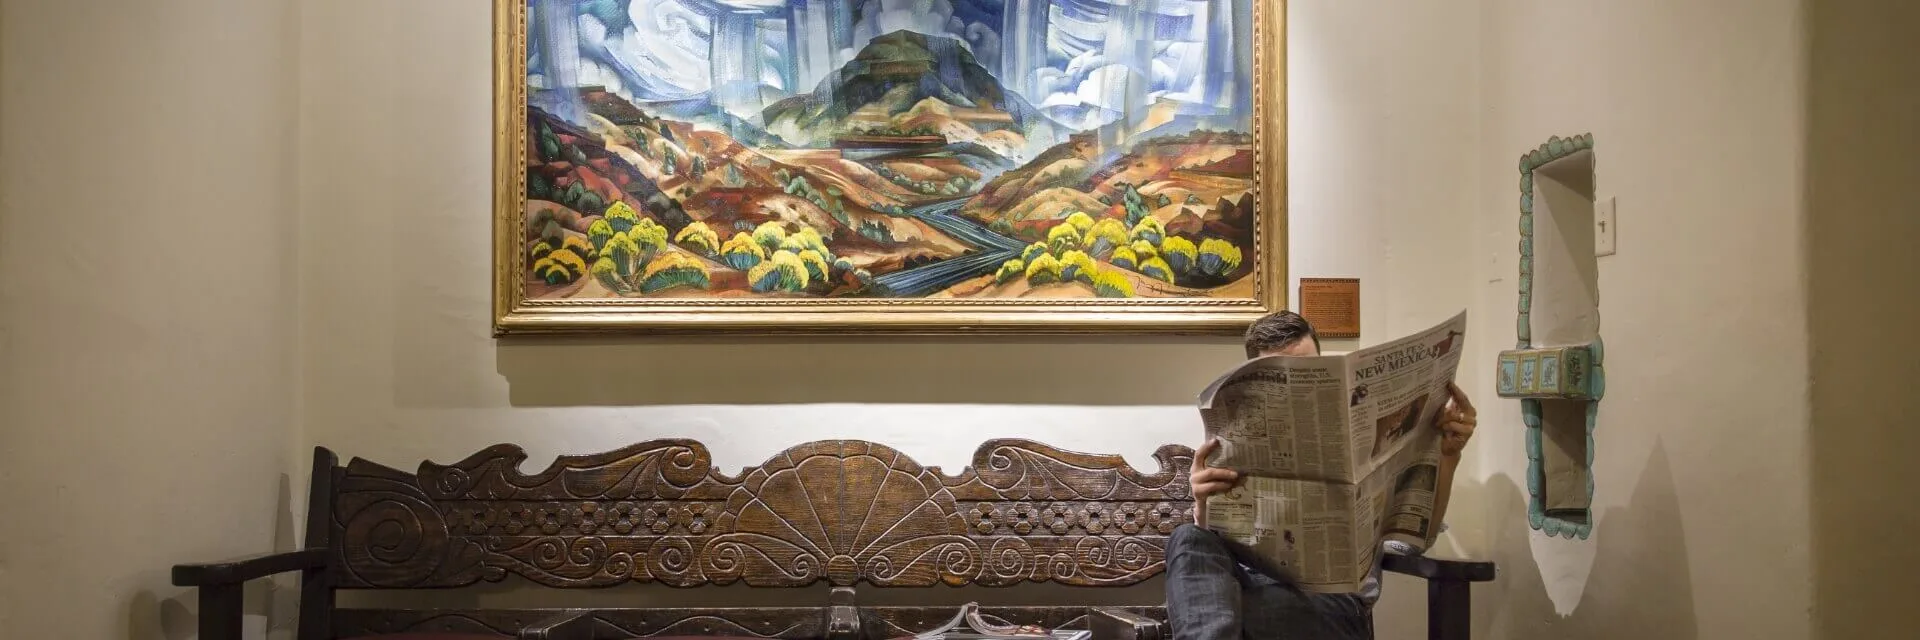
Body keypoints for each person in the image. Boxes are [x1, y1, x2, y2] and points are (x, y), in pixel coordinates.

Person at [1166, 311, 1478, 640]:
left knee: (1229, 610)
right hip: (1244, 594)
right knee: (1187, 537)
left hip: (1331, 607)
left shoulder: (1362, 440)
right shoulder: (1234, 441)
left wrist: (1448, 456)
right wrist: (1202, 503)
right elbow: (1207, 570)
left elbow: (1412, 542)